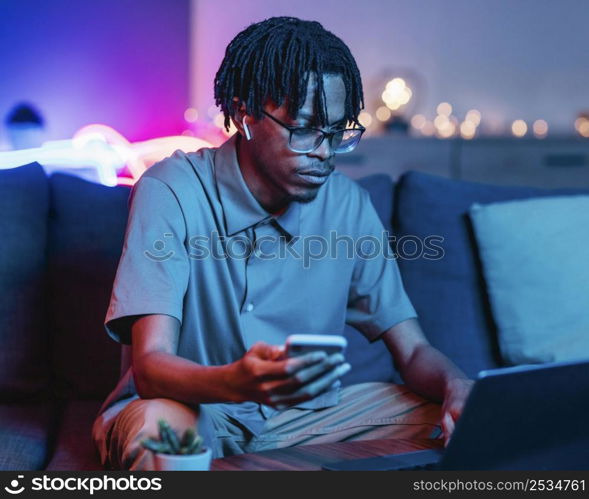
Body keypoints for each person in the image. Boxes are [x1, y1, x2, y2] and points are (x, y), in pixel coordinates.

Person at [92, 16, 473, 470]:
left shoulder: (349, 205)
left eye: (337, 133)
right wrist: (237, 383)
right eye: (305, 129)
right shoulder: (171, 189)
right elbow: (152, 367)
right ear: (242, 114)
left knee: (464, 424)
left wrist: (457, 386)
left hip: (304, 421)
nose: (324, 153)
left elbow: (411, 351)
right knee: (169, 439)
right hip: (189, 405)